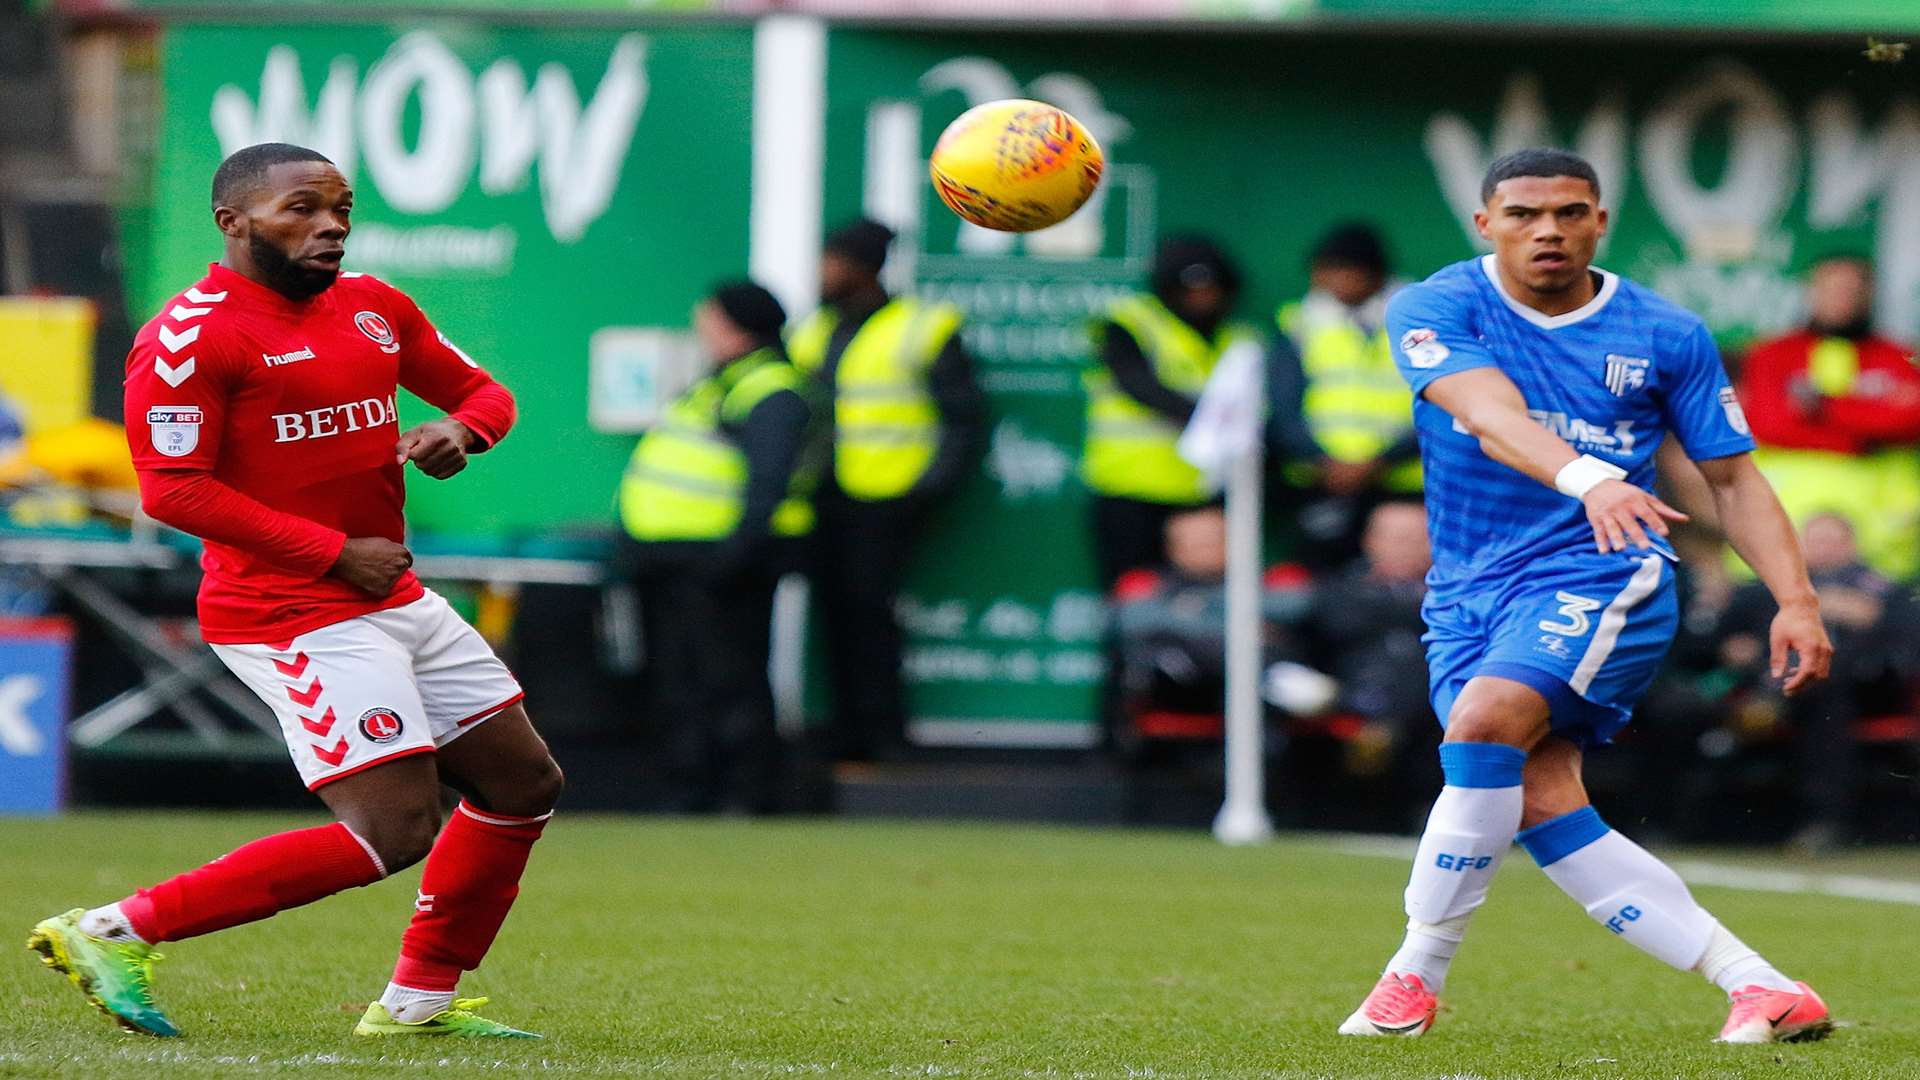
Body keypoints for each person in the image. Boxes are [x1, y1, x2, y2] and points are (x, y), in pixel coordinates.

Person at [30, 143, 561, 1039]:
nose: (331, 228)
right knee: (392, 830)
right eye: (303, 210)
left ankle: (416, 1006)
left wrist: (463, 433)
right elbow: (173, 489)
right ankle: (110, 930)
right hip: (288, 613)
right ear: (233, 223)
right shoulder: (188, 337)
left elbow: (482, 392)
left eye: (341, 210)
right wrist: (329, 552)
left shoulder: (374, 307)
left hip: (389, 596)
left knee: (522, 783)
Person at [1338, 148, 1834, 1044]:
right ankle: (1759, 986)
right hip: (1469, 592)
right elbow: (1488, 413)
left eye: (1570, 213)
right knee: (1536, 797)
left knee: (1485, 722)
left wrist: (1796, 598)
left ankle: (1412, 976)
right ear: (1485, 224)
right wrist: (1587, 474)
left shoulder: (1665, 331)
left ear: (1600, 222)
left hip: (1608, 573)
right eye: (1524, 214)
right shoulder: (1439, 306)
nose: (1549, 231)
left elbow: (1732, 479)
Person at [618, 281, 820, 812]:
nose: (700, 323)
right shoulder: (727, 382)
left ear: (735, 324)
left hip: (719, 560)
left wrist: (737, 555)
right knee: (682, 683)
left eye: (709, 316)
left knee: (729, 681)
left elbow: (769, 484)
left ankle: (743, 796)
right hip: (677, 557)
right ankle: (690, 792)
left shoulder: (771, 390)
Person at [789, 219, 985, 760]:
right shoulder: (813, 329)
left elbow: (964, 419)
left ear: (865, 267)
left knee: (870, 616)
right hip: (823, 495)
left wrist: (926, 490)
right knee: (833, 616)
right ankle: (844, 732)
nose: (824, 273)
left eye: (834, 261)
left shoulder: (922, 325)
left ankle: (882, 734)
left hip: (888, 497)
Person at [1714, 513, 1919, 853]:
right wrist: (1737, 644)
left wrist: (1873, 618)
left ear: (1851, 545)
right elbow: (1727, 631)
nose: (1820, 548)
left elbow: (1905, 642)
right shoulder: (1773, 588)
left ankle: (1824, 819)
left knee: (1825, 696)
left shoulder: (1880, 588)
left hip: (1858, 689)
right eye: (1813, 540)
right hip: (1767, 681)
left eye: (1830, 541)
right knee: (1679, 706)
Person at [1082, 235, 1263, 589]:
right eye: (1189, 288)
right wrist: (1212, 417)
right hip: (1131, 488)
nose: (1201, 297)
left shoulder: (1242, 337)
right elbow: (1138, 385)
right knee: (1132, 597)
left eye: (1211, 287)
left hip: (1207, 490)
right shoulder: (1127, 322)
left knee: (1208, 605)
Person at [1737, 254, 1920, 579]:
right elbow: (1770, 424)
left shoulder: (1898, 356)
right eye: (1831, 288)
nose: (1841, 299)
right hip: (1785, 526)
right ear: (1810, 291)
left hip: (1882, 540)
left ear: (1870, 294)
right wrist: (1866, 432)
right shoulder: (1773, 354)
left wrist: (1825, 408)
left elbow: (1910, 420)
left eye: (1851, 290)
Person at [1271, 224, 1420, 568]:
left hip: (1402, 480)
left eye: (1345, 271)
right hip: (1321, 479)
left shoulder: (1420, 319)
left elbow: (1442, 401)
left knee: (1404, 580)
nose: (1333, 282)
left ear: (1375, 272)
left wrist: (1383, 461)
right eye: (1325, 271)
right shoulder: (1299, 322)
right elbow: (1284, 407)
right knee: (1320, 577)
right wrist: (1325, 462)